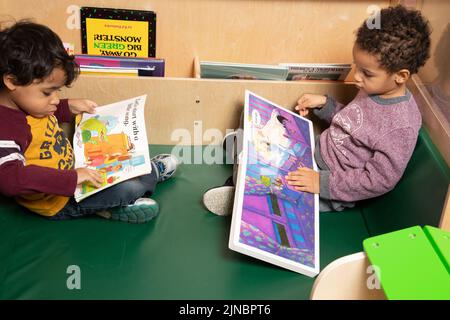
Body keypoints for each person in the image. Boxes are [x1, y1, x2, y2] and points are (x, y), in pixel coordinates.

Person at [203, 5, 431, 215]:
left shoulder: (401, 125)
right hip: (315, 149)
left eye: (367, 73)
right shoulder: (376, 88)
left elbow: (379, 180)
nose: (357, 77)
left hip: (332, 185)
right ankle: (244, 162)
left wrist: (320, 183)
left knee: (284, 193)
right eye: (357, 68)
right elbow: (354, 122)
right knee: (253, 115)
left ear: (400, 76)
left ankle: (241, 192)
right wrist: (325, 105)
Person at [0, 21, 178, 223]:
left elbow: (38, 115)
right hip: (58, 200)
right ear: (12, 81)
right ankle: (116, 206)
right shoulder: (5, 128)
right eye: (48, 92)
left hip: (74, 168)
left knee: (129, 161)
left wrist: (67, 107)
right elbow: (9, 179)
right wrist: (72, 178)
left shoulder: (28, 102)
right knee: (131, 188)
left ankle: (147, 171)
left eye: (58, 91)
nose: (55, 99)